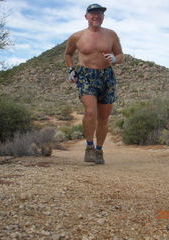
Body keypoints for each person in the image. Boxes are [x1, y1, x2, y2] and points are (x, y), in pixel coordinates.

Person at [64, 3, 124, 164]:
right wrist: (71, 70)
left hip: (107, 76)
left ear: (103, 16)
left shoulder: (111, 35)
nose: (96, 16)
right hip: (86, 75)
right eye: (93, 13)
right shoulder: (77, 36)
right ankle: (89, 147)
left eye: (99, 13)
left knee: (104, 118)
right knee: (90, 112)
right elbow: (68, 54)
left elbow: (120, 55)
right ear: (86, 17)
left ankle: (99, 150)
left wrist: (114, 59)